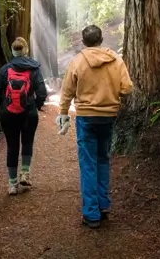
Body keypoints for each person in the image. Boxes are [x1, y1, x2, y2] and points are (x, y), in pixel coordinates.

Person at [57, 25, 133, 228]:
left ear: (84, 41)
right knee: (103, 159)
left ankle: (91, 214)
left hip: (86, 118)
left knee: (88, 164)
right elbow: (127, 88)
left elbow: (66, 92)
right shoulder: (116, 60)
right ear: (101, 39)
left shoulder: (78, 61)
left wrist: (63, 112)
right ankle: (103, 205)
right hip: (108, 117)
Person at [0, 37, 47, 195]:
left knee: (12, 146)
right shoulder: (34, 69)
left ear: (13, 51)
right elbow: (42, 93)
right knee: (27, 142)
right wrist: (36, 105)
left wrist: (1, 108)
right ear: (26, 50)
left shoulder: (5, 69)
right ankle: (25, 173)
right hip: (29, 112)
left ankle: (12, 184)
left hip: (8, 113)